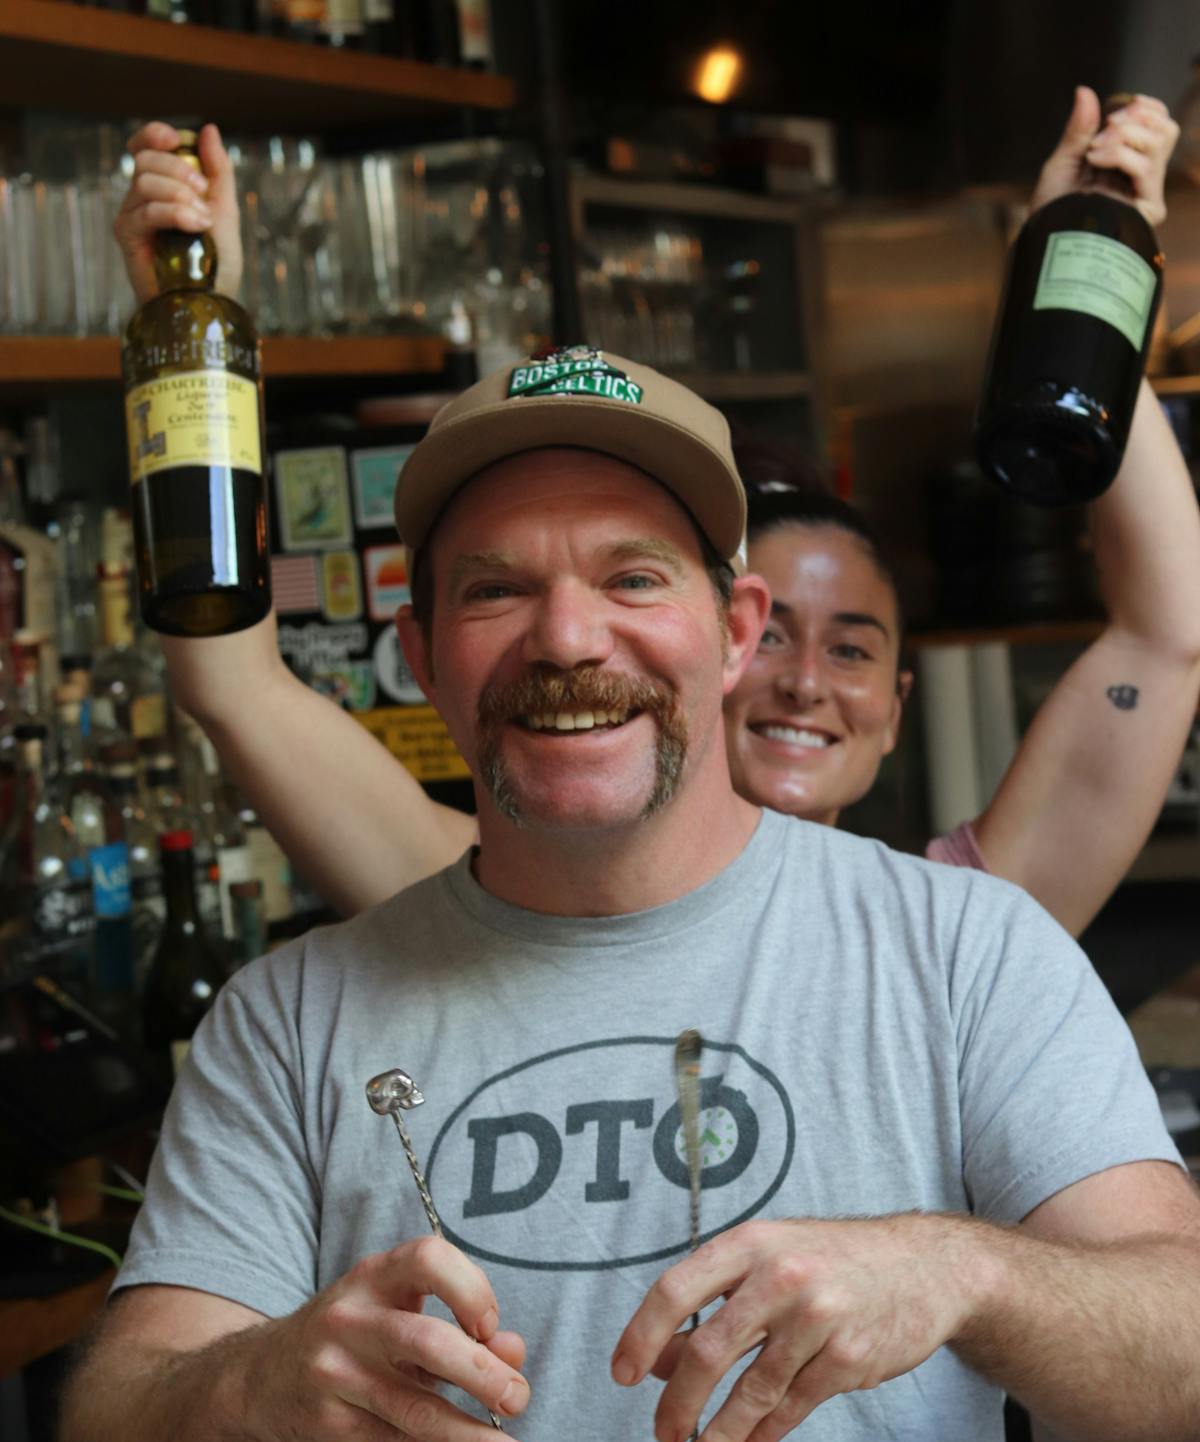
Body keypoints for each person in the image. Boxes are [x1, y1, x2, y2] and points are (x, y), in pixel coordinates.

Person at [58, 345, 1200, 1442]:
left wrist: (960, 1270)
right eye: (495, 588)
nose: (568, 637)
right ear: (421, 654)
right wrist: (257, 1385)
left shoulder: (963, 951)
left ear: (733, 629)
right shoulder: (295, 1019)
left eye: (631, 578)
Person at [112, 93, 1200, 936]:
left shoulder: (949, 931)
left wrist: (1087, 264)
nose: (804, 681)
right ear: (721, 641)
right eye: (771, 635)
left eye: (853, 648)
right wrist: (196, 322)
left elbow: (1166, 635)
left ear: (898, 706)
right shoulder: (476, 901)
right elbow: (231, 677)